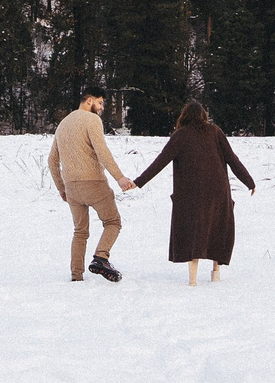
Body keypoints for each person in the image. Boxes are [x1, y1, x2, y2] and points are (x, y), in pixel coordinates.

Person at [133, 99, 256, 284]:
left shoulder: (180, 135)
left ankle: (193, 280)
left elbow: (160, 162)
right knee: (217, 229)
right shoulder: (215, 132)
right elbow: (232, 159)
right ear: (203, 116)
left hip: (192, 193)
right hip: (218, 190)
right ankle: (216, 273)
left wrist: (138, 182)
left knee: (194, 231)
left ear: (184, 117)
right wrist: (249, 182)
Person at [47, 87, 137, 282]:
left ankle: (76, 276)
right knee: (113, 222)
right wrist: (119, 177)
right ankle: (101, 257)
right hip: (94, 184)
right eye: (100, 102)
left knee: (80, 232)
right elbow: (101, 151)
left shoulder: (62, 124)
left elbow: (52, 160)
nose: (102, 107)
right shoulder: (92, 120)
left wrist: (61, 188)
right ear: (89, 101)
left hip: (72, 187)